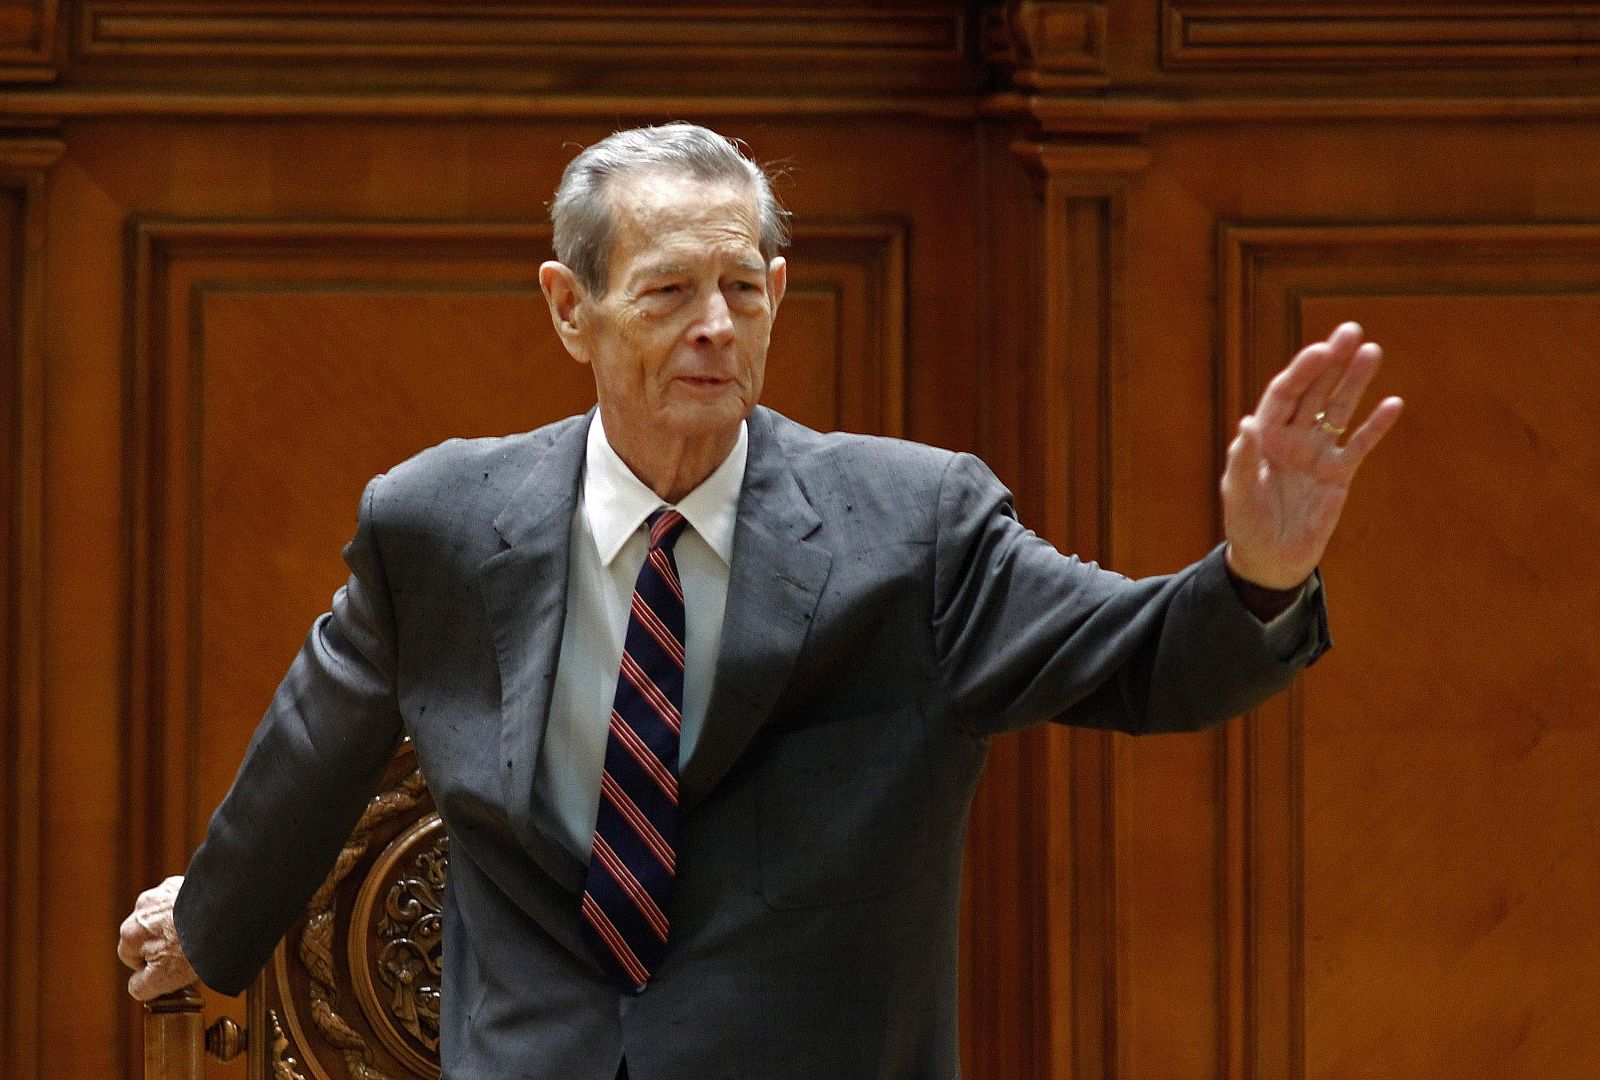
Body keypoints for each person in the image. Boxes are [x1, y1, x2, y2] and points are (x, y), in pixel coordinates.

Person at [118, 123, 1402, 1078]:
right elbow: (317, 742)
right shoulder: (439, 522)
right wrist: (216, 923)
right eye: (669, 292)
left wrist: (1260, 574)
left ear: (779, 295)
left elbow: (1140, 664)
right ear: (571, 310)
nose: (715, 328)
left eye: (742, 289)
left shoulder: (918, 525)